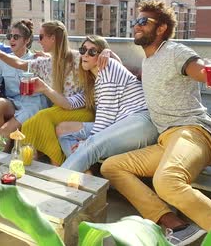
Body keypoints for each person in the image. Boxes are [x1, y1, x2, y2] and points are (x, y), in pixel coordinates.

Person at [100, 0, 211, 245]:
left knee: (166, 181)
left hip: (195, 133)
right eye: (135, 21)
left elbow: (200, 69)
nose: (136, 26)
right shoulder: (148, 61)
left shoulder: (174, 51)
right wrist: (108, 54)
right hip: (166, 141)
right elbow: (140, 76)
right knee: (111, 167)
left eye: (143, 21)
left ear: (161, 28)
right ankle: (175, 225)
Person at [0, 21, 99, 165]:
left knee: (41, 118)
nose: (38, 40)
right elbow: (19, 63)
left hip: (81, 110)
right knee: (31, 124)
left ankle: (55, 164)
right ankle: (31, 164)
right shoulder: (45, 63)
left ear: (53, 38)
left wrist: (107, 52)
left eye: (41, 37)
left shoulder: (78, 58)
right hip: (60, 109)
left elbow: (104, 63)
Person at [54, 35, 158, 172]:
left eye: (92, 52)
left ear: (102, 56)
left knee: (90, 145)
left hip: (142, 122)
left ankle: (57, 182)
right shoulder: (94, 82)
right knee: (63, 129)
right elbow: (70, 103)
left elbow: (106, 115)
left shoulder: (108, 67)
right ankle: (84, 173)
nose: (85, 54)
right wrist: (43, 88)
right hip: (119, 125)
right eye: (83, 50)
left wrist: (86, 144)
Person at [0, 20, 49, 142]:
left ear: (27, 40)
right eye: (10, 36)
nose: (11, 40)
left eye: (16, 37)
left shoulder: (37, 60)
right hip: (14, 101)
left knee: (3, 133)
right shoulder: (3, 61)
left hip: (32, 104)